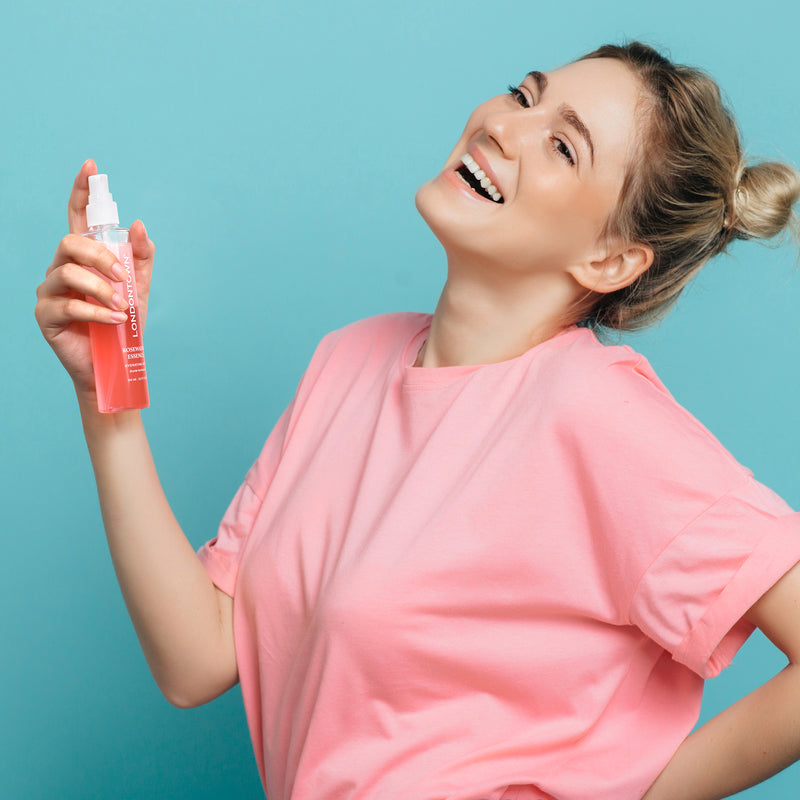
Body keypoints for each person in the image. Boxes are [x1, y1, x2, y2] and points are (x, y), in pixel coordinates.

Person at [34, 41, 800, 800]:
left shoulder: (597, 416)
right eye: (523, 94)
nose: (504, 126)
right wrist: (104, 395)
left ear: (608, 260)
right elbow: (195, 657)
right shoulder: (349, 360)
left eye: (563, 146)